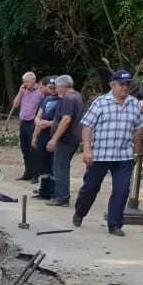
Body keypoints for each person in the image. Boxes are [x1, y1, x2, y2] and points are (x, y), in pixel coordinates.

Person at [72, 69, 143, 236]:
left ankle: (115, 224)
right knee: (90, 188)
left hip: (124, 156)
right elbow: (87, 127)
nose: (125, 88)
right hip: (100, 155)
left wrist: (136, 151)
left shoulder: (134, 104)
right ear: (112, 85)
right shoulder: (100, 103)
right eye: (121, 84)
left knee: (122, 190)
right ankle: (80, 212)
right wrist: (87, 150)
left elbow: (138, 130)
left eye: (128, 84)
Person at [46, 74, 83, 207]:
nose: (56, 90)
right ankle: (62, 195)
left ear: (63, 86)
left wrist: (54, 139)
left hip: (66, 139)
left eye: (57, 87)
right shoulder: (77, 96)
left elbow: (66, 119)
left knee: (60, 168)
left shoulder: (68, 98)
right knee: (62, 167)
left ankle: (62, 197)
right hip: (73, 138)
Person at [11, 71, 44, 180]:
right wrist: (20, 92)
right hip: (23, 122)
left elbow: (43, 107)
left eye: (27, 82)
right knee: (24, 148)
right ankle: (27, 172)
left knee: (33, 149)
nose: (25, 84)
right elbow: (15, 104)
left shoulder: (40, 92)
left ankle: (35, 174)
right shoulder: (23, 91)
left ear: (33, 81)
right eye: (23, 82)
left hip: (33, 122)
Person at [32, 78, 60, 200]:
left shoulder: (63, 101)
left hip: (54, 135)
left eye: (55, 87)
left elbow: (64, 120)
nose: (53, 89)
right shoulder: (46, 100)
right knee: (43, 165)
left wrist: (49, 123)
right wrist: (35, 135)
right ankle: (44, 191)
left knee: (53, 164)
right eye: (51, 87)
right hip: (43, 135)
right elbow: (38, 116)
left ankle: (54, 192)